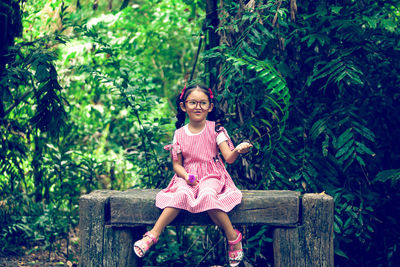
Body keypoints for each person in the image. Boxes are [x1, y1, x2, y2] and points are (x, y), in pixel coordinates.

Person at [133, 84, 252, 267]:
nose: (198, 107)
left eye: (203, 103)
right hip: (187, 176)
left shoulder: (215, 131)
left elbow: (228, 158)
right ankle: (153, 235)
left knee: (207, 196)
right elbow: (176, 165)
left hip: (212, 175)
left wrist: (237, 150)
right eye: (193, 102)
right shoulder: (179, 134)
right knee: (180, 195)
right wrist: (186, 176)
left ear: (210, 106)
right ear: (184, 106)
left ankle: (233, 237)